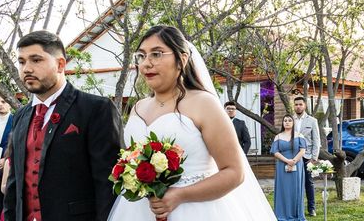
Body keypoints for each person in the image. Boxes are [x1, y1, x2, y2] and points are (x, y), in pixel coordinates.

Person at [108, 25, 276, 221]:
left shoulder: (204, 104)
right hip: (138, 212)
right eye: (142, 56)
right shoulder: (138, 107)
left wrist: (179, 195)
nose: (146, 63)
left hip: (195, 210)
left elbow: (234, 172)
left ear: (182, 59)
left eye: (156, 54)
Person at [3, 30, 122, 221]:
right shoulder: (20, 116)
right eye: (22, 61)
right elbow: (14, 185)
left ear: (60, 64)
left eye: (36, 60)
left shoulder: (96, 109)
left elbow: (108, 184)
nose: (26, 69)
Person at [270, 114, 307, 221]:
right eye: (285, 120)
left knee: (296, 189)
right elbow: (275, 152)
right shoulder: (278, 136)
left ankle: (297, 214)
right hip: (282, 165)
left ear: (293, 122)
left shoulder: (299, 135)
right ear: (282, 123)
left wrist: (293, 161)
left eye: (289, 120)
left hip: (297, 165)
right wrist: (287, 161)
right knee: (283, 189)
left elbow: (303, 150)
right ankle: (282, 214)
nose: (287, 122)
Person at [293, 96, 321, 217]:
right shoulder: (290, 119)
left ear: (305, 106)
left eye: (300, 104)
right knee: (294, 183)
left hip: (307, 156)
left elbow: (317, 140)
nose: (298, 106)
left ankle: (311, 208)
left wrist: (314, 158)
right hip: (293, 157)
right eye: (296, 104)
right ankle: (295, 208)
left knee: (308, 183)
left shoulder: (312, 121)